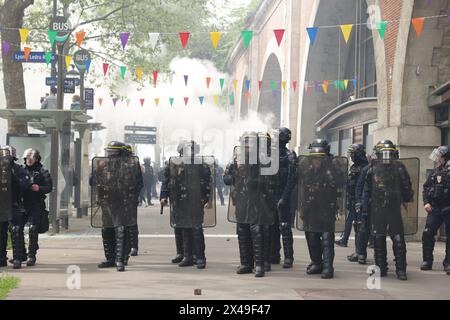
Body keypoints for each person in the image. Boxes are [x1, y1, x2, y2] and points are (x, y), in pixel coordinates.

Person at [224, 132, 276, 277]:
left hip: (258, 201)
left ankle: (259, 265)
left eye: (251, 143)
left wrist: (255, 181)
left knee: (257, 231)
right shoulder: (237, 159)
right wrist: (233, 175)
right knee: (242, 231)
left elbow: (271, 180)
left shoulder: (264, 160)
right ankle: (246, 263)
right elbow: (227, 179)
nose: (247, 146)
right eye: (245, 143)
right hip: (242, 200)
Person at [362, 140, 415, 280]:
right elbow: (367, 191)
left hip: (391, 208)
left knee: (396, 238)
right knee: (379, 238)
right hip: (379, 209)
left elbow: (406, 188)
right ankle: (388, 269)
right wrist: (366, 207)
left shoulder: (396, 169)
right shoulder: (373, 169)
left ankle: (399, 269)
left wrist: (403, 199)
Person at [160, 140, 214, 269]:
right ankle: (186, 255)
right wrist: (163, 196)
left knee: (196, 229)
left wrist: (205, 198)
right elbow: (166, 181)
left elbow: (207, 182)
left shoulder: (201, 164)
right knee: (182, 228)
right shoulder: (173, 164)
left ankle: (200, 257)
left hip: (195, 201)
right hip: (179, 201)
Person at [298, 139, 347, 279]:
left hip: (326, 208)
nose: (316, 161)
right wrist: (302, 207)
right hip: (311, 208)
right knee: (311, 236)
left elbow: (341, 183)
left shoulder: (333, 168)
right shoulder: (308, 170)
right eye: (314, 158)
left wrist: (331, 170)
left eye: (319, 158)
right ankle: (317, 262)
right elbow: (302, 188)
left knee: (326, 238)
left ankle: (328, 267)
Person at [91, 141, 142, 271]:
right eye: (109, 152)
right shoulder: (104, 166)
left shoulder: (129, 166)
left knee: (120, 230)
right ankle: (110, 258)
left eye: (113, 153)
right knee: (107, 230)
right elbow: (93, 182)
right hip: (107, 202)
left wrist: (131, 199)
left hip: (122, 202)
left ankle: (120, 260)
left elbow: (136, 184)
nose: (110, 155)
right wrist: (98, 169)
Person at [0, 146, 31, 269]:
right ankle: (1, 258)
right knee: (1, 232)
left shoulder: (18, 170)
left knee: (16, 230)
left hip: (14, 204)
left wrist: (12, 176)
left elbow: (24, 186)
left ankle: (17, 258)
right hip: (2, 205)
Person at [270, 127, 297, 268]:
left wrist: (284, 198)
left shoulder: (290, 155)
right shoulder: (270, 155)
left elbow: (292, 179)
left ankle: (289, 257)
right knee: (272, 226)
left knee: (285, 227)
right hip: (271, 195)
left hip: (284, 196)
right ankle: (274, 255)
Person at [421, 146, 450, 273]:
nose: (437, 159)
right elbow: (426, 188)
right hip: (435, 208)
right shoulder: (434, 172)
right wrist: (426, 203)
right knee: (427, 233)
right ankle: (427, 261)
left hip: (448, 208)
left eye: (439, 156)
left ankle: (448, 263)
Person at [21, 148, 53, 267]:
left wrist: (39, 188)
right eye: (27, 158)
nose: (29, 160)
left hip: (36, 203)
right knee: (16, 228)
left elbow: (49, 187)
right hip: (22, 203)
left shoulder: (43, 171)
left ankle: (31, 255)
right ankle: (20, 254)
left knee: (33, 228)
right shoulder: (20, 170)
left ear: (36, 159)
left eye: (32, 158)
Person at [336, 144, 368, 250]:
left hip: (360, 199)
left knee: (360, 224)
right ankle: (344, 239)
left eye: (353, 154)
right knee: (350, 220)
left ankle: (361, 248)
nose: (351, 156)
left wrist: (360, 200)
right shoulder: (354, 166)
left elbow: (362, 186)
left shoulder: (364, 167)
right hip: (352, 197)